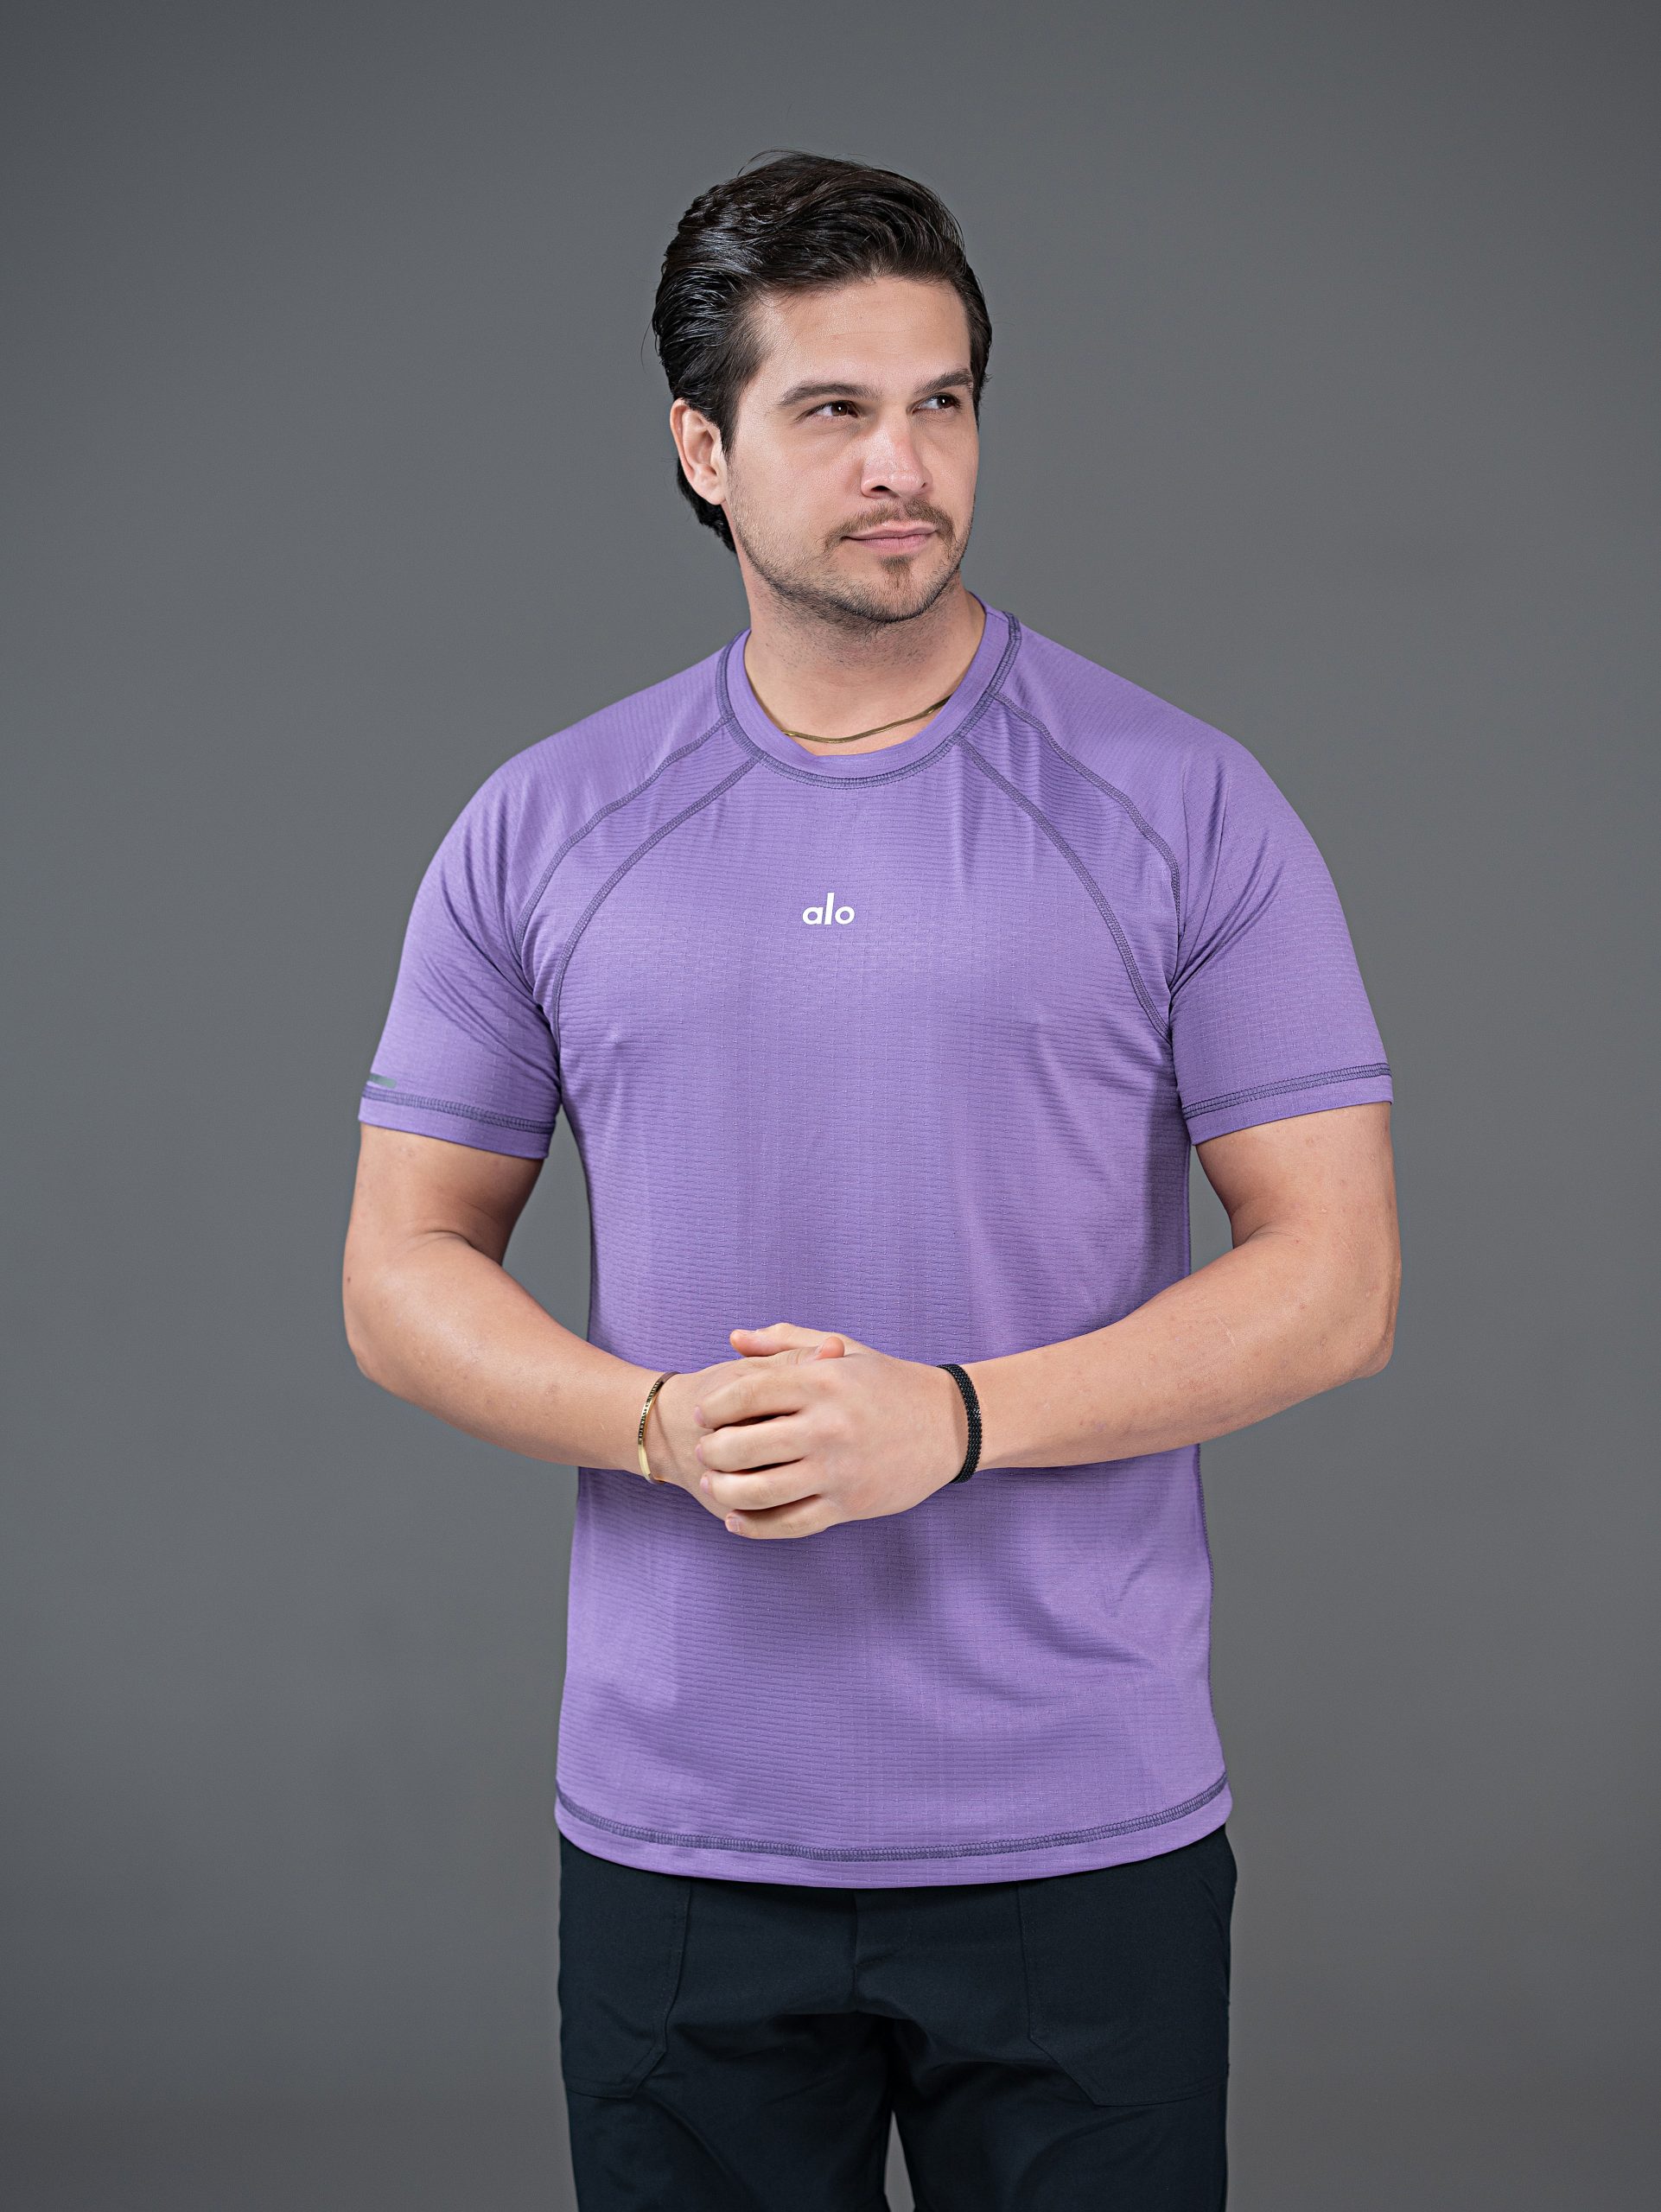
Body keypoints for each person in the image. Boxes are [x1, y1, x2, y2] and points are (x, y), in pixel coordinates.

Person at [341, 150, 1400, 2212]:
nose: (902, 462)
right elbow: (400, 1269)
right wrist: (652, 1421)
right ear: (702, 447)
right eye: (832, 408)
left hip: (1079, 1830)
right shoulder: (544, 825)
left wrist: (962, 1418)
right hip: (679, 1837)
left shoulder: (1182, 802)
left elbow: (1337, 1278)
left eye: (941, 401)